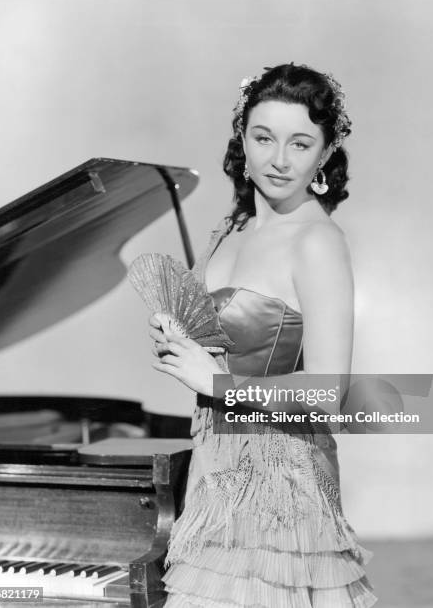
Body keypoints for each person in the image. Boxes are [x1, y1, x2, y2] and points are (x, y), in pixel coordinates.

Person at [150, 63, 377, 607]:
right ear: (242, 141)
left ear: (324, 155)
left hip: (284, 493)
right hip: (213, 479)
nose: (279, 159)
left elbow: (328, 395)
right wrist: (176, 337)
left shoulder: (317, 243)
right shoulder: (230, 229)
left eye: (300, 143)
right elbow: (224, 341)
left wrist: (217, 381)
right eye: (263, 137)